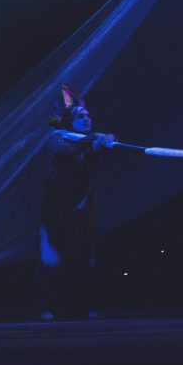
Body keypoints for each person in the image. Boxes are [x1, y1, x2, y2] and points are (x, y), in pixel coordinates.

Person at [39, 85, 116, 320]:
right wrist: (94, 141)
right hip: (58, 205)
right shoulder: (56, 138)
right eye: (81, 117)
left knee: (85, 256)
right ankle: (50, 307)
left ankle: (84, 305)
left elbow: (105, 143)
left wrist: (105, 141)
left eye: (88, 115)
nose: (87, 119)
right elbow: (68, 151)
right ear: (71, 121)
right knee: (54, 257)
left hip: (84, 203)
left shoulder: (92, 141)